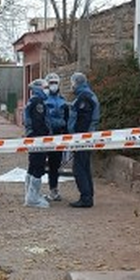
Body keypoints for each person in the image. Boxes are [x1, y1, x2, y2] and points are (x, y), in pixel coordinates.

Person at [66, 71, 100, 208]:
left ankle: (86, 198)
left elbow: (83, 120)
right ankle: (88, 195)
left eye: (72, 83)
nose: (71, 86)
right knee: (85, 167)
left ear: (77, 83)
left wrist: (77, 137)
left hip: (82, 138)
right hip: (86, 137)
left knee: (79, 168)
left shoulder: (84, 98)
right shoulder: (86, 95)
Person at [21, 78, 50, 208]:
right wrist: (45, 135)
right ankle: (33, 198)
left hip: (33, 137)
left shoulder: (32, 100)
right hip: (38, 138)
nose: (47, 90)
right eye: (45, 87)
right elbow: (39, 123)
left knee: (32, 165)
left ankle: (31, 194)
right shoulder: (38, 103)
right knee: (38, 165)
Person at [43, 72, 70, 201]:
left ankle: (54, 190)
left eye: (55, 83)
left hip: (58, 136)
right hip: (45, 136)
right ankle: (34, 192)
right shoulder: (42, 99)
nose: (53, 85)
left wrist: (66, 133)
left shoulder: (63, 100)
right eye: (51, 83)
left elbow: (67, 117)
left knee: (55, 165)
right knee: (38, 164)